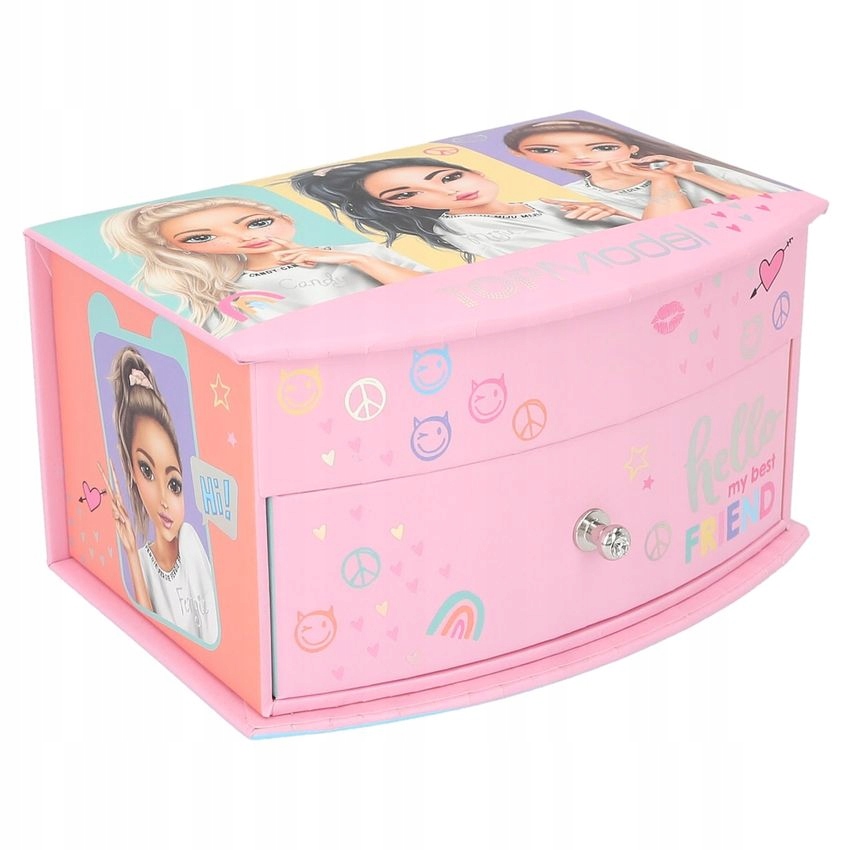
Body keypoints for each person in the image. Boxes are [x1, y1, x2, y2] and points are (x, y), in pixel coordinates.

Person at [101, 196, 426, 336]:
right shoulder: (228, 293)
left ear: (286, 219)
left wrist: (358, 261)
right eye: (201, 238)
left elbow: (440, 294)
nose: (243, 237)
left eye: (256, 223)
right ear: (181, 249)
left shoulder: (363, 252)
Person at [290, 157, 633, 263]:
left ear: (475, 171)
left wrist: (617, 214)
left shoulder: (548, 202)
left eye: (450, 177)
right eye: (407, 193)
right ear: (399, 204)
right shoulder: (468, 230)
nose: (449, 190)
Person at [101, 347, 220, 645]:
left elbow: (212, 633)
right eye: (147, 470)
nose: (164, 500)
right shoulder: (142, 559)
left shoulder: (189, 541)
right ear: (132, 472)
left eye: (174, 484)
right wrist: (131, 552)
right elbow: (150, 635)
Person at [503, 119, 790, 219]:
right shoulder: (570, 199)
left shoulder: (689, 169)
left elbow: (779, 206)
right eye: (546, 150)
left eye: (601, 147)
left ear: (632, 148)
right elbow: (672, 232)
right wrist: (661, 181)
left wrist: (690, 175)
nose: (578, 156)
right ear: (520, 155)